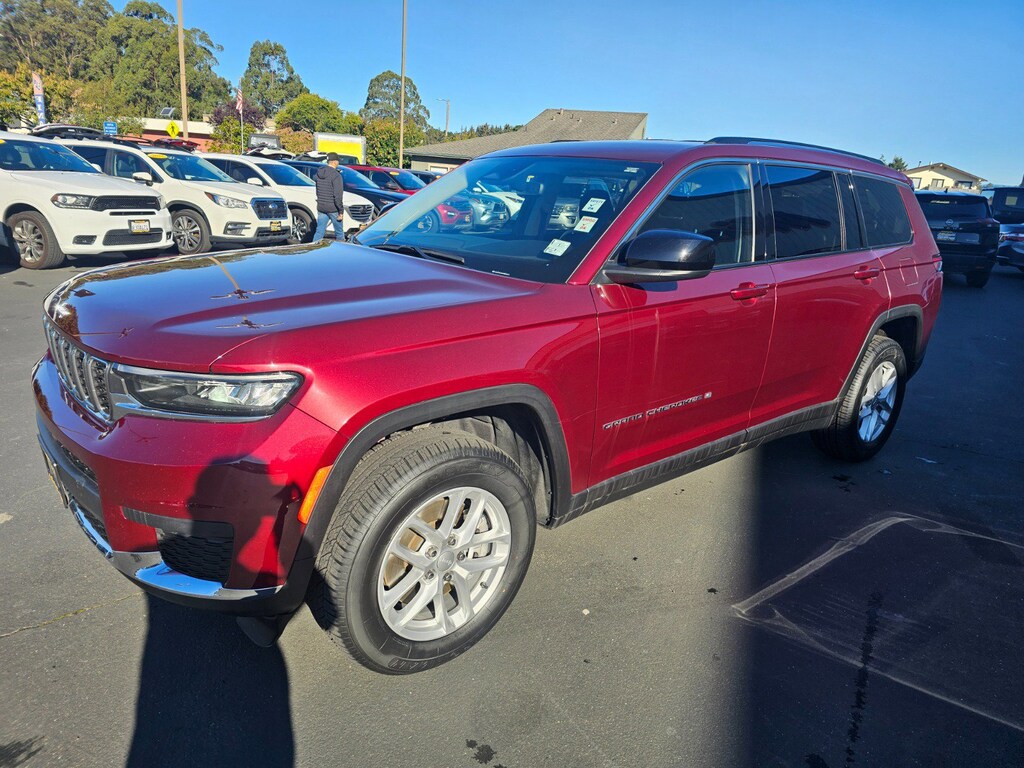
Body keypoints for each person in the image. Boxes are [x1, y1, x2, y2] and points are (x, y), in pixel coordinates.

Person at [313, 152, 344, 242]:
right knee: (339, 233)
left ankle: (313, 248)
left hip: (321, 206)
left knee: (319, 232)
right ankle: (341, 249)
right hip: (333, 208)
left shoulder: (319, 173)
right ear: (334, 162)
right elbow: (337, 195)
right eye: (338, 161)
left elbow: (317, 190)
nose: (338, 163)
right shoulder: (336, 175)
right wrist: (341, 211)